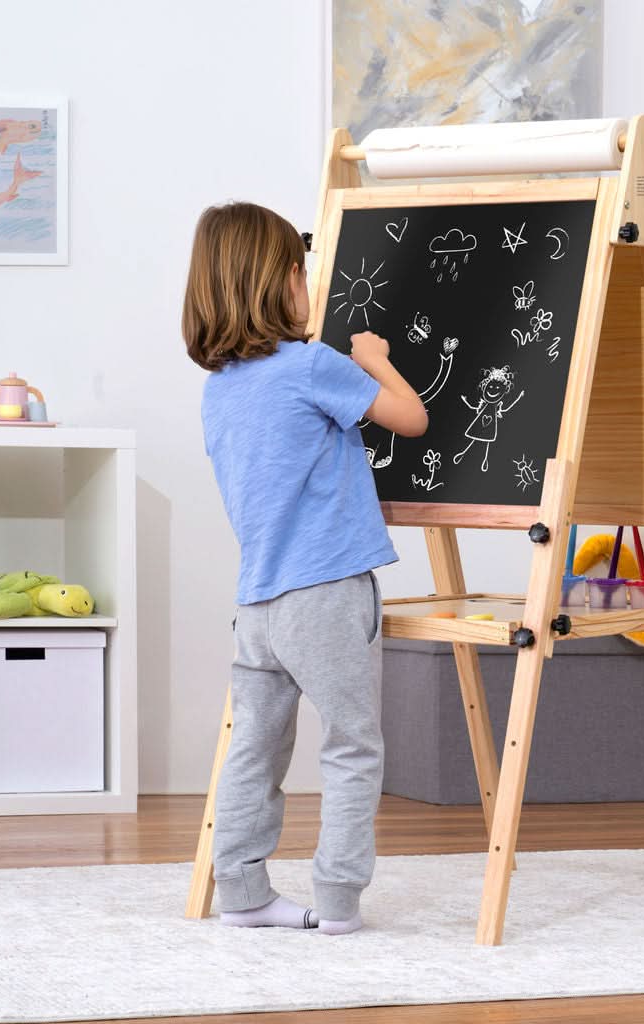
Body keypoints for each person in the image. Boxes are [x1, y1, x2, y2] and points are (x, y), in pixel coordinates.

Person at [182, 201, 427, 934]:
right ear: (287, 279)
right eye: (306, 272)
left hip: (257, 603)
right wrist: (374, 360)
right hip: (325, 592)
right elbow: (411, 418)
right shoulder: (315, 366)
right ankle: (340, 900)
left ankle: (242, 892)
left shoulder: (219, 389)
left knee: (255, 750)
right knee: (352, 744)